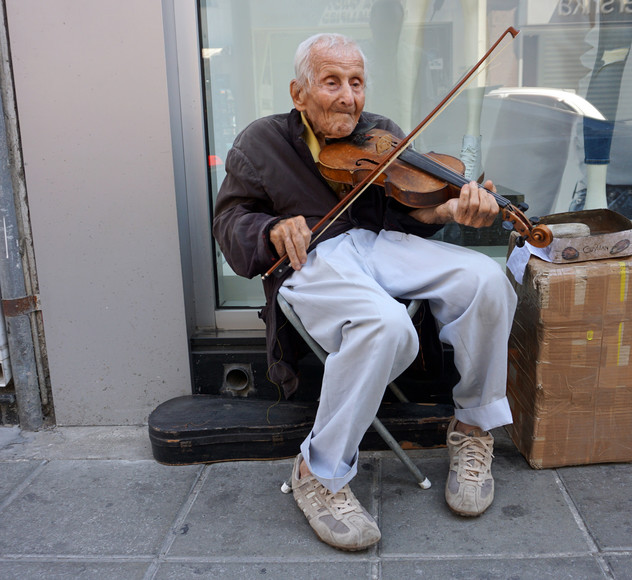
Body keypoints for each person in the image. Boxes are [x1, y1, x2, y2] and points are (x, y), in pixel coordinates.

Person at [212, 33, 516, 551]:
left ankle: (472, 427)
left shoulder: (381, 134)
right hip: (316, 260)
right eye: (332, 82)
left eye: (356, 83)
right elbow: (230, 222)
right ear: (299, 92)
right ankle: (319, 470)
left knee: (486, 279)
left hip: (380, 247)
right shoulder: (260, 143)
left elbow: (411, 208)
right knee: (384, 324)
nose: (349, 97)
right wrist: (270, 231)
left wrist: (447, 210)